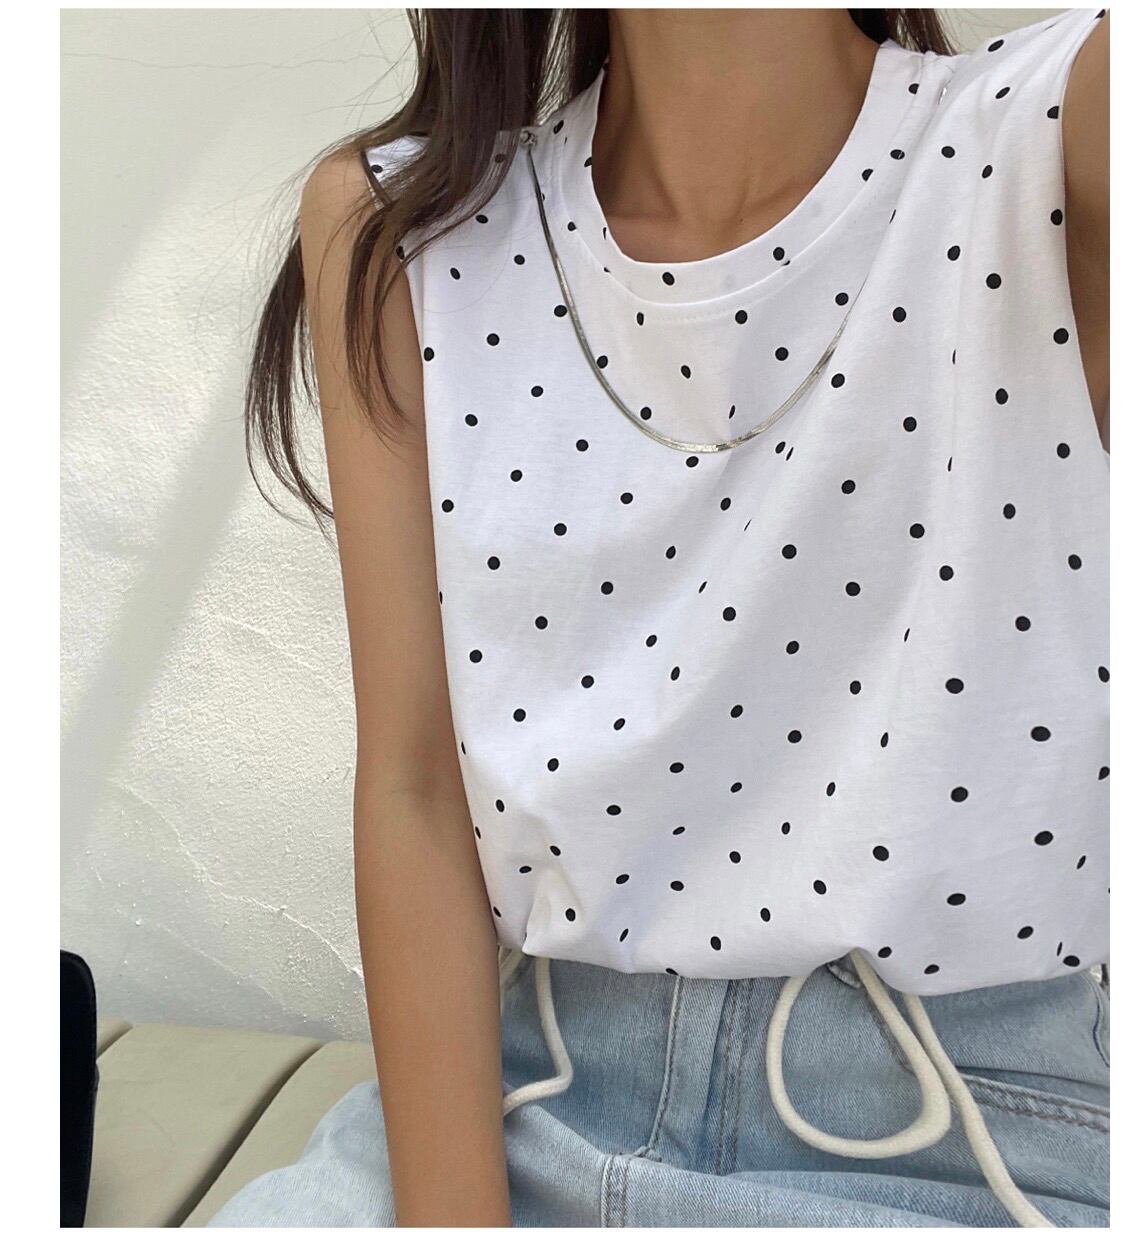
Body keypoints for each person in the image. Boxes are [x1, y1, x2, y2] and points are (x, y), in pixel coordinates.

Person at [209, 6, 1109, 1228]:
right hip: (526, 1096)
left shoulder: (1050, 136)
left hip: (958, 1142)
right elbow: (413, 791)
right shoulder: (404, 228)